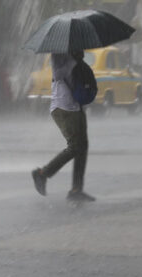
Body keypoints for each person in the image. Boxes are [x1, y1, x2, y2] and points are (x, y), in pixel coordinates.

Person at [31, 50, 95, 202]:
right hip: (64, 107)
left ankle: (76, 189)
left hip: (75, 107)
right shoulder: (60, 54)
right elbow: (64, 74)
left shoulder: (71, 53)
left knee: (82, 146)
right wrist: (76, 59)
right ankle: (42, 174)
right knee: (75, 146)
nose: (82, 48)